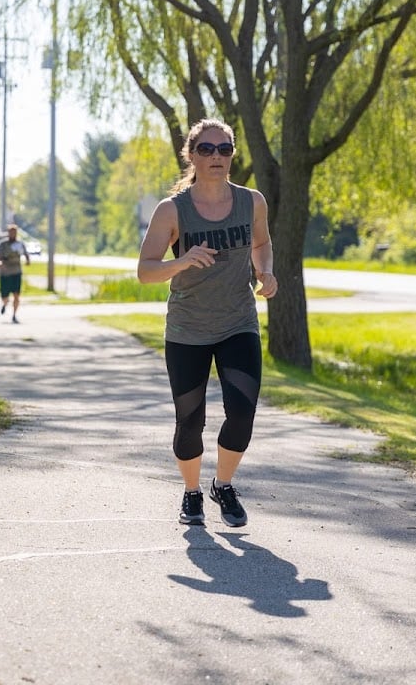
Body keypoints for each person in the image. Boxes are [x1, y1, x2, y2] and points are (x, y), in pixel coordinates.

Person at [137, 118, 278, 528]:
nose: (216, 156)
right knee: (190, 420)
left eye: (224, 149)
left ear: (233, 154)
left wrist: (266, 271)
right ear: (191, 155)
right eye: (206, 149)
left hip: (238, 323)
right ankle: (192, 493)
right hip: (188, 330)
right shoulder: (172, 210)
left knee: (242, 412)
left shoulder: (252, 201)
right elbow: (146, 271)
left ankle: (224, 484)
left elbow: (262, 242)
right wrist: (182, 260)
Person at [0, 224, 31, 323]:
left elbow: (26, 254)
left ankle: (14, 315)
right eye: (11, 232)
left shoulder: (20, 244)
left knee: (16, 295)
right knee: (5, 295)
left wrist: (27, 261)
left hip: (16, 272)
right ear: (8, 233)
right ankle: (4, 303)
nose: (13, 234)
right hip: (5, 272)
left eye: (14, 232)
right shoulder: (2, 244)